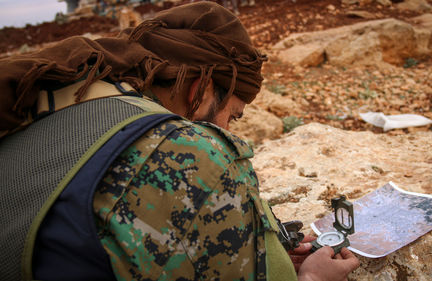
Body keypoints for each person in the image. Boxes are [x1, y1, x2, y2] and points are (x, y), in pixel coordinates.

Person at [0, 2, 359, 281]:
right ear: (200, 88)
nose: (230, 132)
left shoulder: (55, 102)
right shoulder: (189, 152)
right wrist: (311, 276)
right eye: (233, 116)